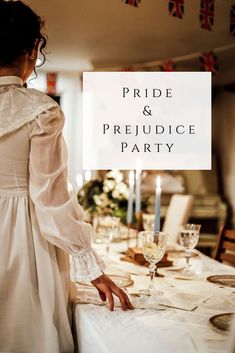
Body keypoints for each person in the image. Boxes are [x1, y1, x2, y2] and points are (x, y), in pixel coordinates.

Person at [0, 1, 133, 352]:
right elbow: (51, 200)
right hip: (22, 244)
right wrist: (91, 265)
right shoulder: (42, 111)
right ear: (33, 49)